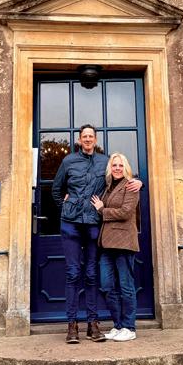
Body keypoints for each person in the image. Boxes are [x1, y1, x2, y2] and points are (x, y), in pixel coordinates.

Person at [52, 124, 141, 344]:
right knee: (73, 273)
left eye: (91, 136)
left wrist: (140, 183)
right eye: (84, 136)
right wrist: (65, 206)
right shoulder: (68, 161)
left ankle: (93, 324)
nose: (88, 139)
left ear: (95, 139)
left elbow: (121, 181)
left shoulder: (105, 162)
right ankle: (72, 325)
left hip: (94, 225)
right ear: (79, 140)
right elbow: (56, 189)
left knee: (92, 275)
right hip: (71, 224)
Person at [91, 153, 139, 342]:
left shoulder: (131, 185)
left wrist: (102, 210)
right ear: (110, 168)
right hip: (106, 244)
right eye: (114, 165)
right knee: (107, 286)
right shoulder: (108, 187)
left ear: (125, 167)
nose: (117, 168)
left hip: (124, 242)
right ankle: (118, 326)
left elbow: (126, 212)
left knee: (126, 287)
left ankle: (129, 327)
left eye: (120, 165)